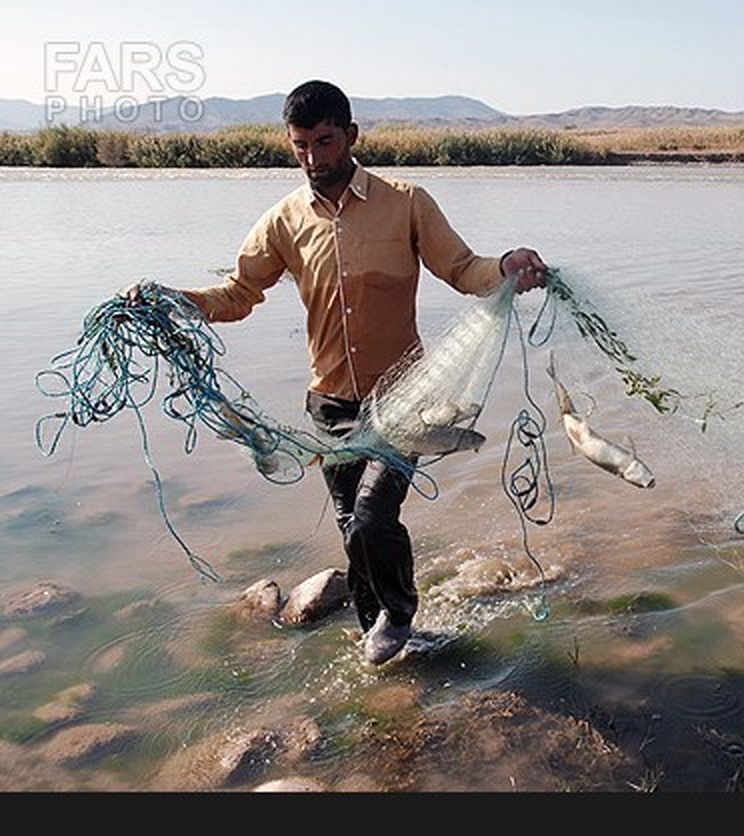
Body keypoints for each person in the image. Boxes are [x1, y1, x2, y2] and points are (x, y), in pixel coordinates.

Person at [143, 80, 547, 666]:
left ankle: (398, 613)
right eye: (301, 145)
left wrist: (505, 265)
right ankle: (378, 636)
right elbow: (237, 294)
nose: (313, 158)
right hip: (330, 406)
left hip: (403, 401)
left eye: (325, 141)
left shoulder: (406, 203)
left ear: (351, 135)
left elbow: (462, 269)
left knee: (372, 517)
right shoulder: (283, 222)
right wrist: (176, 301)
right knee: (350, 523)